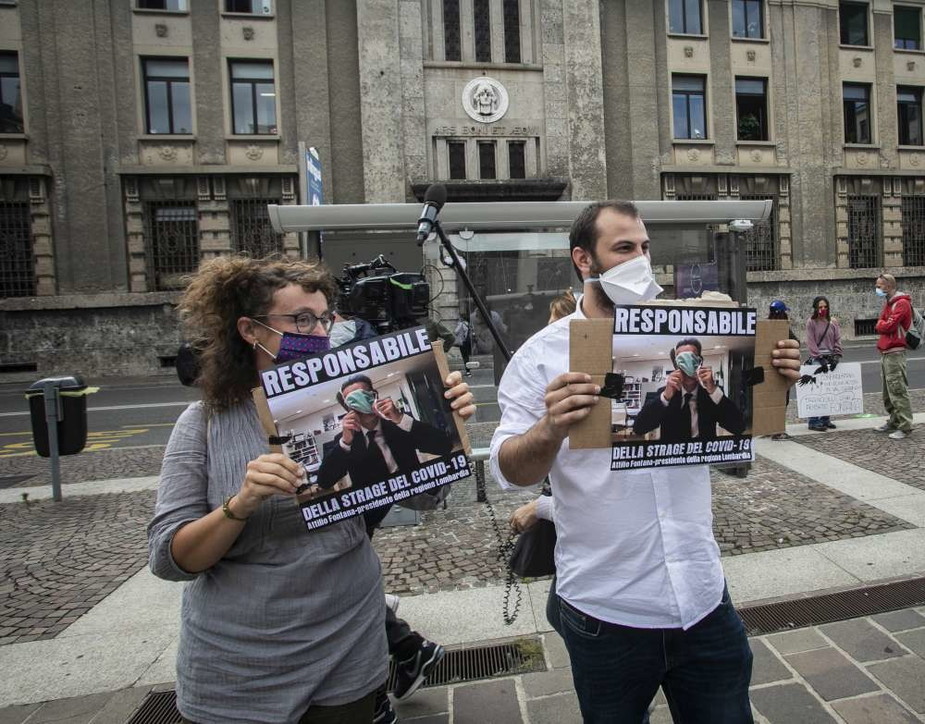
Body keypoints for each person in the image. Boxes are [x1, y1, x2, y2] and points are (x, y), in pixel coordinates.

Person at [490, 200, 802, 723]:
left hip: (702, 599)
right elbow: (508, 471)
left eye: (645, 247)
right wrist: (550, 427)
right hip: (606, 610)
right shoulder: (540, 355)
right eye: (623, 248)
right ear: (584, 260)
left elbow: (740, 435)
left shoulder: (694, 336)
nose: (640, 259)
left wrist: (777, 383)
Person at [147, 255, 474, 724]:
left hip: (348, 652)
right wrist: (239, 505)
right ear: (250, 329)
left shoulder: (369, 424)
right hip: (239, 667)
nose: (319, 333)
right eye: (301, 320)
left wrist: (444, 425)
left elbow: (424, 497)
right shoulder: (202, 424)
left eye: (324, 319)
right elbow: (169, 558)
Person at [316, 374, 454, 491]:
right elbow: (324, 482)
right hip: (377, 507)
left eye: (365, 396)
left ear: (375, 396)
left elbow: (445, 446)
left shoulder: (400, 424)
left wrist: (400, 419)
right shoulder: (345, 440)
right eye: (354, 402)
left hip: (415, 492)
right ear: (348, 409)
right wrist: (345, 443)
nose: (362, 405)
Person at [632, 338, 746, 443]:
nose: (687, 367)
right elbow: (639, 428)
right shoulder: (664, 393)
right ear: (676, 366)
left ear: (700, 362)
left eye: (691, 359)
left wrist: (714, 391)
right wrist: (665, 397)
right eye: (682, 361)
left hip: (704, 454)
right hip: (673, 455)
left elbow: (738, 427)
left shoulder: (712, 394)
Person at [874, 273, 914, 440]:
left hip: (895, 352)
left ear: (889, 286)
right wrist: (882, 323)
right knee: (888, 392)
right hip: (886, 352)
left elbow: (887, 326)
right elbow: (881, 322)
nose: (877, 288)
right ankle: (894, 420)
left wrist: (881, 324)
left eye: (879, 285)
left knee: (897, 390)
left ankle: (905, 426)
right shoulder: (889, 302)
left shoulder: (901, 303)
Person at [805, 296, 843, 432]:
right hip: (817, 359)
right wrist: (818, 357)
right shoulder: (811, 322)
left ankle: (825, 419)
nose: (823, 309)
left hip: (830, 357)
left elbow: (837, 339)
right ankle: (813, 420)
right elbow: (810, 341)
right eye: (820, 307)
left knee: (828, 390)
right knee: (816, 391)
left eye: (825, 307)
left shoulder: (833, 322)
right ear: (816, 308)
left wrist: (836, 356)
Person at [767, 300, 798, 440]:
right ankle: (777, 430)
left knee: (770, 401)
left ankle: (769, 428)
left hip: (768, 371)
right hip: (782, 369)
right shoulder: (783, 328)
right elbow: (796, 342)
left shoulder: (765, 327)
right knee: (781, 401)